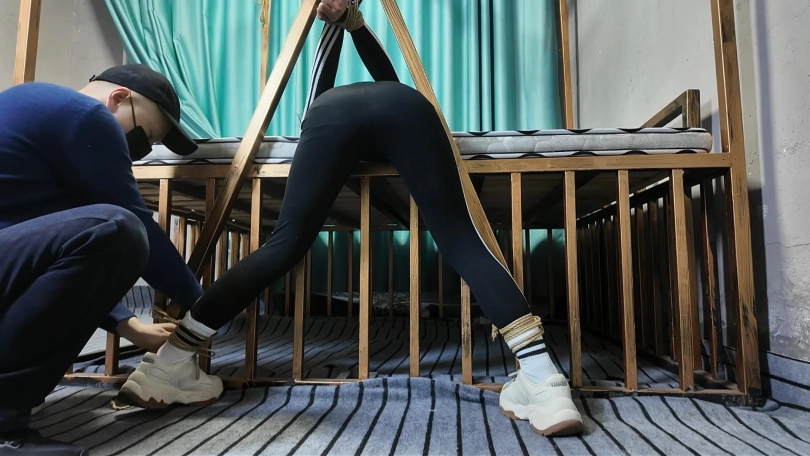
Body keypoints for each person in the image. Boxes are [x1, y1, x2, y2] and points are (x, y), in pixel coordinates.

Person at [119, 0, 585, 438]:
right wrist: (355, 23)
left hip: (331, 111)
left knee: (284, 244)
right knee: (461, 238)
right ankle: (545, 380)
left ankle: (169, 362)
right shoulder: (392, 94)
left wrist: (341, 24)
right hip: (405, 105)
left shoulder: (325, 102)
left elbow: (315, 103)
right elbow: (390, 84)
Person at [0, 65, 211, 455]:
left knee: (104, 229)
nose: (140, 150)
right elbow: (133, 224)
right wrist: (204, 307)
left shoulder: (36, 108)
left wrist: (129, 325)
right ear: (119, 98)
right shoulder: (87, 115)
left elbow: (47, 259)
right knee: (120, 228)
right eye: (145, 136)